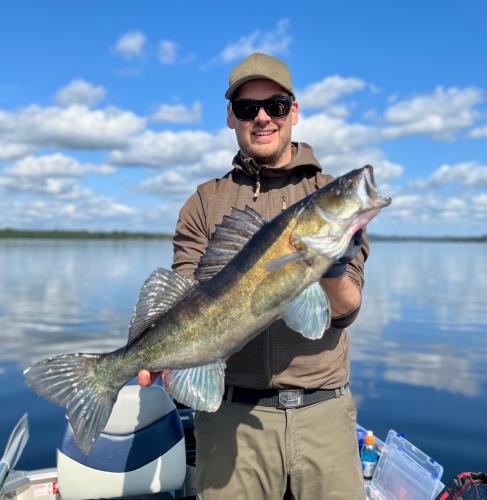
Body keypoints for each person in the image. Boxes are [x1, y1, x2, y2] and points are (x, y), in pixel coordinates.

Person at [138, 52, 368, 500]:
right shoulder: (204, 203)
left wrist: (330, 267)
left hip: (324, 413)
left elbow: (344, 312)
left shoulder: (328, 197)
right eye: (247, 108)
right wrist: (151, 352)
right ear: (231, 117)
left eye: (275, 106)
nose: (262, 117)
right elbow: (183, 295)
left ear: (293, 111)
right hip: (229, 420)